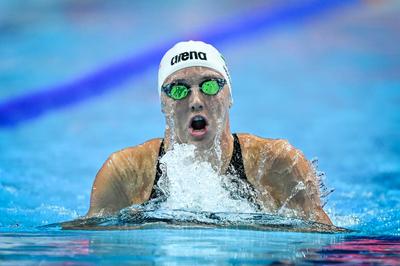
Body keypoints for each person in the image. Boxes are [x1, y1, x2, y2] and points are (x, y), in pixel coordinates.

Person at [86, 40, 332, 225]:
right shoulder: (125, 175)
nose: (195, 100)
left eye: (210, 85)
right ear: (162, 103)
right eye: (178, 90)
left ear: (230, 96)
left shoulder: (276, 165)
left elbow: (323, 247)